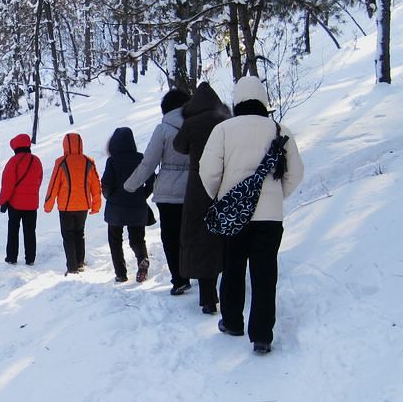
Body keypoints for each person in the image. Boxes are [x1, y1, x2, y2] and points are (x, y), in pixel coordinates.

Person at [199, 76, 305, 354]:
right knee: (265, 273)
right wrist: (277, 196)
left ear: (237, 100)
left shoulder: (223, 130)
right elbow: (296, 173)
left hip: (234, 215)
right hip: (270, 218)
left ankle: (233, 322)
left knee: (232, 267)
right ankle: (261, 336)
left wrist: (222, 198)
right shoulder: (280, 129)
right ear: (263, 100)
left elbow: (207, 170)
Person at [123, 89, 192, 295]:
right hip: (194, 189)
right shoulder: (197, 125)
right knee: (190, 234)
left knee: (171, 237)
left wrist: (130, 185)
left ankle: (179, 279)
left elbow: (149, 163)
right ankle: (197, 272)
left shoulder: (163, 129)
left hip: (169, 194)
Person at [173, 82, 231, 314]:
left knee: (200, 237)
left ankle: (208, 297)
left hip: (198, 186)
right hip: (225, 182)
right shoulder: (225, 120)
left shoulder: (191, 123)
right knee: (224, 235)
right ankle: (229, 287)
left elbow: (179, 146)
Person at [101, 127, 156, 283]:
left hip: (116, 208)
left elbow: (106, 184)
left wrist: (110, 197)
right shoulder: (140, 158)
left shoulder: (112, 161)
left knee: (115, 240)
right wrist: (142, 195)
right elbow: (152, 181)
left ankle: (121, 273)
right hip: (137, 206)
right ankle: (142, 259)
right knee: (137, 239)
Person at [44, 132, 102, 275]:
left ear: (65, 145)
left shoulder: (61, 162)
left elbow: (53, 185)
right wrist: (96, 205)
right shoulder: (89, 161)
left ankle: (72, 267)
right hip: (83, 205)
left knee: (68, 235)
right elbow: (96, 185)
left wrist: (48, 205)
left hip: (66, 207)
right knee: (79, 233)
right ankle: (80, 263)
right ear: (80, 144)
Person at [0, 133, 44, 265]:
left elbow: (7, 184)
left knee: (13, 230)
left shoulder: (13, 162)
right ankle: (30, 258)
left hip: (15, 204)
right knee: (30, 231)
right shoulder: (36, 161)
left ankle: (11, 257)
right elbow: (38, 181)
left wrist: (3, 201)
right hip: (31, 204)